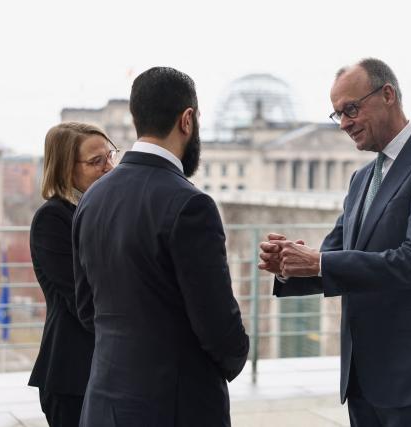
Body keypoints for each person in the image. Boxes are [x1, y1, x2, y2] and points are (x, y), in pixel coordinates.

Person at [259, 58, 411, 426]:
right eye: (338, 115)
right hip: (364, 376)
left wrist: (318, 262)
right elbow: (334, 256)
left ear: (388, 95)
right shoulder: (362, 178)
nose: (344, 123)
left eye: (351, 109)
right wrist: (288, 264)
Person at [72, 66, 249, 427]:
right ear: (187, 120)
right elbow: (216, 322)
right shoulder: (190, 204)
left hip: (105, 402)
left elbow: (87, 309)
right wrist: (234, 359)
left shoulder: (92, 199)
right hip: (175, 406)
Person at [29, 122, 118, 426]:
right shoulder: (52, 219)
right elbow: (84, 301)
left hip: (111, 369)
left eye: (110, 156)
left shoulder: (106, 210)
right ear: (66, 169)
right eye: (96, 162)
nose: (109, 167)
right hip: (73, 375)